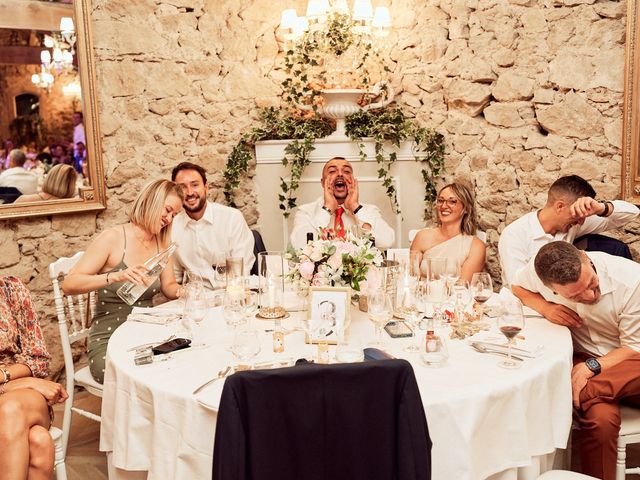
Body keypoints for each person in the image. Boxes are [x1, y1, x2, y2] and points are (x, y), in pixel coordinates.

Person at [512, 241, 640, 480]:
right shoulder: (540, 270)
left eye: (591, 284)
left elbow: (634, 347)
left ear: (584, 257)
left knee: (586, 387)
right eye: (576, 296)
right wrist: (545, 307)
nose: (590, 295)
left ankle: (576, 391)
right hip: (584, 359)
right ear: (551, 288)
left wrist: (591, 369)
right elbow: (517, 286)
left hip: (631, 361)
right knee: (600, 421)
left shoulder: (632, 280)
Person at [62, 179, 184, 383]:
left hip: (145, 333)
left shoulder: (163, 243)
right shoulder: (113, 238)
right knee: (145, 374)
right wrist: (114, 276)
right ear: (152, 201)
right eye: (168, 210)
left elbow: (169, 286)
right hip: (109, 337)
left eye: (174, 215)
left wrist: (187, 291)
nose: (169, 219)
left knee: (179, 362)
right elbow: (69, 285)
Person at [499, 175, 639, 327]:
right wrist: (546, 309)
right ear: (560, 206)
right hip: (524, 311)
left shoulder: (574, 224)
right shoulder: (514, 234)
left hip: (566, 305)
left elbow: (631, 214)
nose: (581, 221)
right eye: (578, 216)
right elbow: (516, 286)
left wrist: (601, 208)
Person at [0, 275, 68, 480]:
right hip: (19, 387)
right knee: (39, 441)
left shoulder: (10, 288)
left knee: (11, 409)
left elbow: (37, 359)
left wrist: (9, 378)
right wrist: (22, 382)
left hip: (20, 398)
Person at [170, 162, 255, 284]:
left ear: (206, 187)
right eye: (182, 187)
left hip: (231, 293)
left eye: (195, 185)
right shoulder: (173, 228)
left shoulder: (231, 218)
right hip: (196, 298)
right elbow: (175, 278)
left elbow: (240, 270)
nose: (189, 192)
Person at [289, 157, 395, 249]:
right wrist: (328, 208)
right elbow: (299, 246)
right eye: (332, 171)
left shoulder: (370, 211)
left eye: (347, 171)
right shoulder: (305, 212)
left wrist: (355, 207)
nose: (340, 174)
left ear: (353, 180)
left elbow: (386, 242)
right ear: (322, 182)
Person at [410, 182, 485, 282]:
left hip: (455, 296)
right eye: (440, 201)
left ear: (466, 208)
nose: (444, 206)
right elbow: (411, 276)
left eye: (452, 201)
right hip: (421, 295)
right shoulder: (422, 237)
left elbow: (463, 286)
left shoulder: (476, 246)